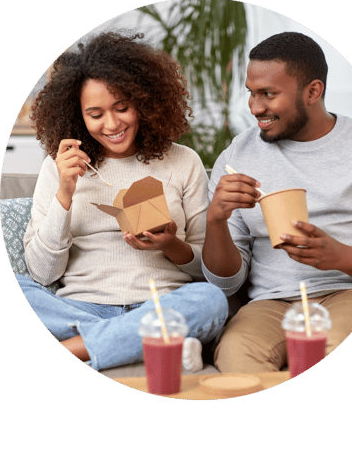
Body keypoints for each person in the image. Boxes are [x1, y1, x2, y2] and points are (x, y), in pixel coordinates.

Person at [17, 31, 228, 372]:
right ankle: (144, 341)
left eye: (122, 107)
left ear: (143, 102)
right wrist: (65, 193)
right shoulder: (59, 168)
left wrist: (170, 244)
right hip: (83, 307)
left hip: (162, 302)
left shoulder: (184, 162)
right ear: (77, 114)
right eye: (96, 114)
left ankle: (77, 348)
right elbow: (42, 274)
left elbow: (206, 270)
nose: (112, 124)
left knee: (211, 301)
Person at [202, 32, 352, 373]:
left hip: (351, 293)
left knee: (336, 348)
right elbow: (226, 284)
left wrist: (338, 256)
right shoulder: (237, 156)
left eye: (268, 94)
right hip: (271, 303)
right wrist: (215, 220)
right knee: (236, 355)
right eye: (251, 93)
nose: (255, 107)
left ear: (313, 91)